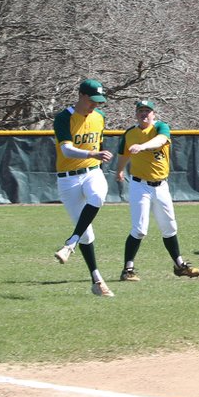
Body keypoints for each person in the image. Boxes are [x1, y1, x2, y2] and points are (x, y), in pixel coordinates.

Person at [116, 99, 199, 281]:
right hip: (139, 185)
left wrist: (142, 146)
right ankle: (127, 270)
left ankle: (179, 266)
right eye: (141, 110)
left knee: (170, 227)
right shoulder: (130, 133)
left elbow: (161, 140)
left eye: (148, 111)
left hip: (161, 185)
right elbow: (124, 153)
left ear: (153, 114)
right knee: (139, 229)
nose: (144, 113)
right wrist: (119, 170)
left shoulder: (161, 127)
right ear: (136, 114)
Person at [52, 77, 116, 297]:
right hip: (67, 179)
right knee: (87, 236)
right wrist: (92, 153)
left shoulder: (99, 117)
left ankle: (70, 244)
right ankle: (97, 280)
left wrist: (96, 156)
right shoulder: (64, 118)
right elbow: (68, 150)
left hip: (92, 172)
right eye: (92, 100)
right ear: (81, 96)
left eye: (99, 101)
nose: (95, 105)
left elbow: (99, 144)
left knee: (98, 196)